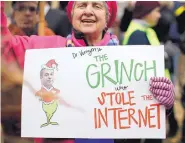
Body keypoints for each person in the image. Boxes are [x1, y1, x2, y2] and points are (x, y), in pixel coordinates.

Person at [1, 1, 175, 143]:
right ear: (72, 14)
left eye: (97, 6)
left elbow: (140, 116)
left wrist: (161, 103)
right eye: (81, 5)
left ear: (107, 17)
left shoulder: (126, 63)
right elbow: (4, 45)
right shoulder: (47, 48)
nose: (88, 11)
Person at [123, 1, 174, 143]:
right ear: (146, 13)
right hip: (147, 98)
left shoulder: (145, 30)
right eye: (156, 11)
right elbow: (140, 72)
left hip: (153, 94)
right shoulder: (138, 34)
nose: (159, 15)